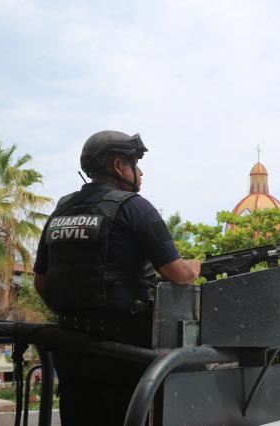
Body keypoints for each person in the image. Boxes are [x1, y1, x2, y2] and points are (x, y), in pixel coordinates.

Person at [33, 130, 201, 426]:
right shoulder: (135, 207)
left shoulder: (61, 210)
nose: (140, 172)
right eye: (135, 163)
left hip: (70, 348)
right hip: (123, 352)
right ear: (117, 166)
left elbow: (41, 283)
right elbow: (177, 274)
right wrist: (195, 266)